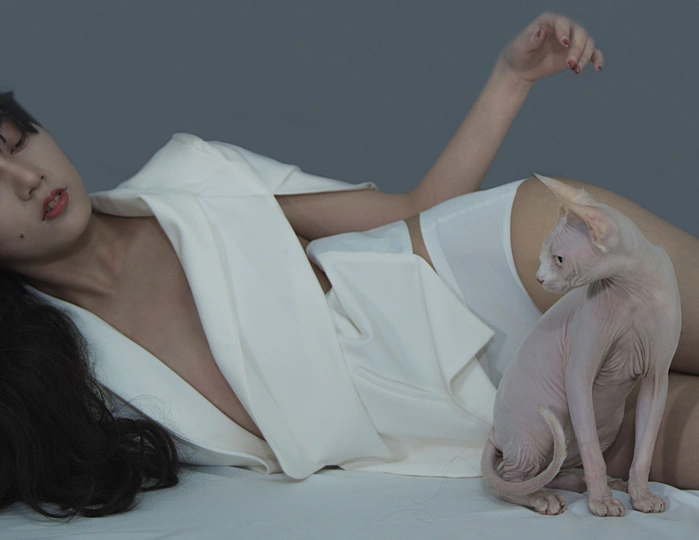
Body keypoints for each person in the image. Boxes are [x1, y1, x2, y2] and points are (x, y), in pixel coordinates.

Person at [1, 12, 697, 519]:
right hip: (482, 419)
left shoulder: (194, 173)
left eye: (16, 142)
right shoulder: (58, 383)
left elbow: (416, 212)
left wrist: (509, 79)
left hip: (486, 264)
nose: (27, 180)